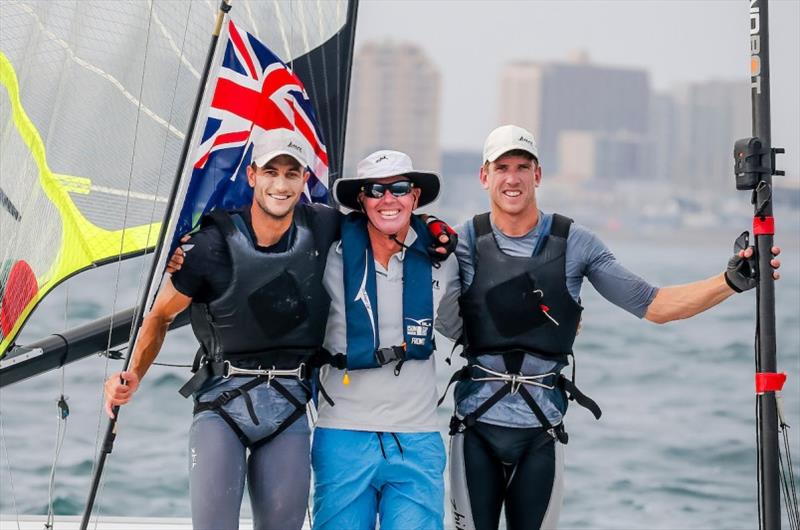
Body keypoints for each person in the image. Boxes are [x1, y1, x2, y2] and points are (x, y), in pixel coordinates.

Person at [441, 125, 782, 530]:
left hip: (541, 434)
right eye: (502, 167)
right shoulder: (460, 241)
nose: (512, 178)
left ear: (538, 175)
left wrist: (730, 281)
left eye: (522, 166)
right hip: (475, 429)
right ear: (485, 176)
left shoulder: (576, 243)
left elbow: (653, 304)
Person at [103, 129, 341, 530]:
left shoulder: (323, 226)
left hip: (289, 408)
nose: (280, 184)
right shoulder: (210, 246)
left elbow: (383, 218)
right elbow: (160, 316)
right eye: (271, 172)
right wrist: (132, 376)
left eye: (291, 173)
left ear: (305, 179)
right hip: (221, 407)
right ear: (252, 176)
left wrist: (434, 234)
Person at [311, 150, 462, 530]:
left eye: (399, 188)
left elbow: (466, 327)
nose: (388, 199)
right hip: (342, 433)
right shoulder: (328, 255)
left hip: (417, 436)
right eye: (376, 190)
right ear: (361, 199)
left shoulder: (443, 259)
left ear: (415, 197)